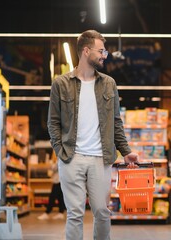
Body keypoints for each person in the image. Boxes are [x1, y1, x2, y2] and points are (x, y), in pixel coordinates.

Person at [47, 30, 139, 240]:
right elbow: (53, 122)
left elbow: (116, 121)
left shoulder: (109, 84)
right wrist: (61, 152)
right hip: (71, 157)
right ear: (86, 51)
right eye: (101, 50)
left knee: (102, 211)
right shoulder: (61, 84)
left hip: (101, 158)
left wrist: (126, 151)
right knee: (75, 214)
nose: (104, 55)